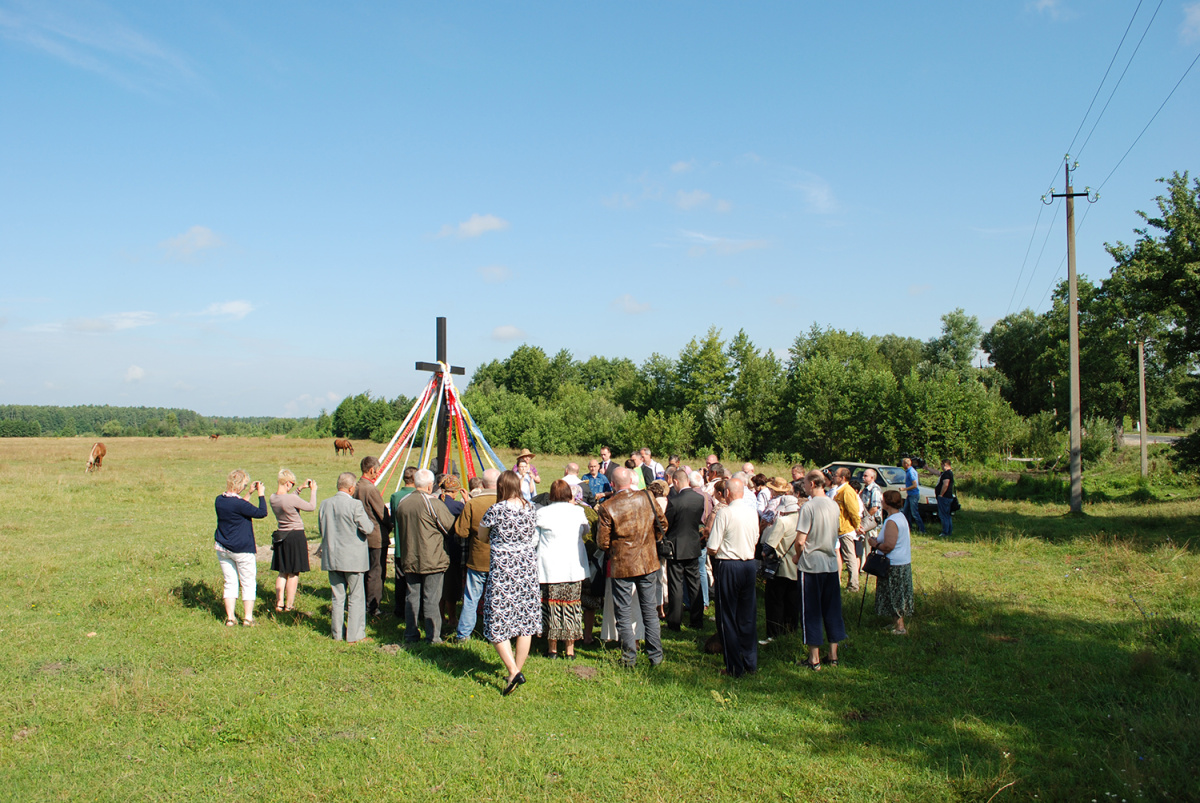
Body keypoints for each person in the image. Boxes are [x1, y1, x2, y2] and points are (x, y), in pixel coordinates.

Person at [596, 466, 668, 667]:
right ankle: (656, 656)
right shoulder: (647, 498)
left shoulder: (608, 506)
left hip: (623, 564)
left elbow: (602, 542)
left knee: (624, 612)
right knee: (649, 611)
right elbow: (663, 524)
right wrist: (651, 542)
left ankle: (629, 658)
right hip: (647, 562)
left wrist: (617, 547)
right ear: (632, 480)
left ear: (612, 484)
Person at [481, 470, 541, 695]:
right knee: (525, 622)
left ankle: (513, 671)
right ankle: (514, 672)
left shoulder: (496, 510)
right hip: (526, 571)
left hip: (504, 572)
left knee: (497, 620)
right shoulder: (531, 508)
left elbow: (481, 535)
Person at [393, 468, 456, 644]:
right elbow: (450, 528)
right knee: (432, 599)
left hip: (409, 558)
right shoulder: (433, 503)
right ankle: (433, 636)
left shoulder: (403, 502)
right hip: (432, 559)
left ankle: (411, 634)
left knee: (412, 597)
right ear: (430, 486)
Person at [707, 477, 760, 677]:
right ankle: (750, 662)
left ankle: (734, 666)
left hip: (728, 564)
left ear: (727, 493)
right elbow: (755, 538)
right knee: (747, 616)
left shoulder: (725, 513)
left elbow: (712, 546)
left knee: (727, 616)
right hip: (748, 563)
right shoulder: (752, 512)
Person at [793, 470, 846, 670]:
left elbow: (800, 539)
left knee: (811, 611)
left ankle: (814, 658)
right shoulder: (833, 505)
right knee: (832, 609)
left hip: (811, 565)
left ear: (814, 484)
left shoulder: (808, 507)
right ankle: (833, 655)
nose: (804, 487)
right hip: (831, 563)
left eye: (806, 483)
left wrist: (798, 555)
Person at [318, 472, 376, 643]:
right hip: (353, 559)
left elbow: (323, 529)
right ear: (351, 488)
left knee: (337, 597)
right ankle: (355, 635)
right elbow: (368, 528)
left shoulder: (325, 504)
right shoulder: (355, 505)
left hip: (332, 557)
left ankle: (337, 634)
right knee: (356, 596)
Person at [535, 479, 590, 658]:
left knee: (551, 607)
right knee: (571, 608)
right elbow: (585, 531)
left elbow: (534, 539)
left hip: (550, 568)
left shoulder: (542, 512)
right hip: (572, 568)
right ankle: (570, 650)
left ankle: (552, 649)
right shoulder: (578, 511)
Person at [214, 469, 268, 627]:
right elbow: (261, 513)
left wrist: (249, 494)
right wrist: (261, 494)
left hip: (223, 547)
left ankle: (230, 618)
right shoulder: (238, 504)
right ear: (239, 485)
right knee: (248, 583)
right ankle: (248, 618)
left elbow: (238, 508)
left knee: (230, 582)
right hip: (242, 549)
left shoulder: (220, 500)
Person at [452, 468, 499, 641]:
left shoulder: (473, 503)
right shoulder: (505, 502)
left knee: (471, 598)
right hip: (500, 560)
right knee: (496, 599)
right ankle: (495, 634)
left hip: (477, 558)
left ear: (483, 484)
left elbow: (461, 531)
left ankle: (463, 634)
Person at [663, 468, 709, 631]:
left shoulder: (674, 501)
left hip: (676, 546)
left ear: (675, 481)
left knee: (676, 584)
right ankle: (697, 620)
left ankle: (674, 621)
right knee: (694, 583)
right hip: (693, 544)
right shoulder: (699, 498)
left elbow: (667, 524)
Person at [269, 469, 316, 614]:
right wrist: (313, 491)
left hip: (281, 536)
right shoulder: (290, 499)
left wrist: (300, 488)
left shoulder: (273, 498)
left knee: (283, 571)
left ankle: (279, 603)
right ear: (288, 483)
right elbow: (311, 506)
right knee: (294, 573)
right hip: (295, 535)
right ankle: (289, 605)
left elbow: (287, 500)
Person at [869, 490, 914, 634]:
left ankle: (900, 627)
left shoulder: (892, 521)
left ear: (888, 503)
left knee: (894, 594)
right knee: (896, 593)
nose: (881, 503)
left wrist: (874, 544)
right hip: (902, 562)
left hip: (893, 564)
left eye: (883, 500)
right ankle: (895, 623)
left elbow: (889, 545)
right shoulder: (900, 517)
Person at [353, 456, 391, 619]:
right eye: (377, 469)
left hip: (360, 536)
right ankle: (373, 606)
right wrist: (390, 525)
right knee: (376, 572)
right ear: (371, 470)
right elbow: (382, 514)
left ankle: (360, 603)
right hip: (375, 537)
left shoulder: (355, 486)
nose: (378, 472)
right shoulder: (370, 489)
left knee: (363, 571)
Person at [760, 494, 802, 640]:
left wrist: (763, 555)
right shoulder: (803, 521)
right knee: (792, 603)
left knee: (775, 603)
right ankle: (790, 632)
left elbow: (769, 546)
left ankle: (773, 634)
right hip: (797, 567)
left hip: (780, 567)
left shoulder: (782, 522)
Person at [438, 474, 467, 630]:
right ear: (456, 491)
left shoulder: (435, 503)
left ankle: (439, 615)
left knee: (438, 584)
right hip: (453, 549)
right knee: (451, 586)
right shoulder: (458, 507)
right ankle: (452, 617)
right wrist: (467, 500)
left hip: (436, 549)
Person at [389, 466, 418, 617]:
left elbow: (393, 519)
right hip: (416, 547)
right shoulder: (420, 496)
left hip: (400, 545)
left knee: (400, 579)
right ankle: (414, 611)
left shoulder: (395, 496)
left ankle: (399, 609)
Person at [832, 467, 863, 592]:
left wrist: (857, 526)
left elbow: (853, 510)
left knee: (849, 557)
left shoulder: (847, 491)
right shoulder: (840, 490)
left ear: (842, 478)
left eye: (836, 475)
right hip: (840, 528)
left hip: (846, 529)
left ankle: (853, 585)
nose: (833, 477)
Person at [901, 457, 925, 534]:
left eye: (903, 463)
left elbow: (915, 485)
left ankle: (922, 529)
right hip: (910, 495)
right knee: (906, 511)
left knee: (914, 513)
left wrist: (905, 489)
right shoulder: (908, 471)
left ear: (906, 464)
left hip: (913, 495)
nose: (902, 465)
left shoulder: (911, 472)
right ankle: (908, 527)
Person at [936, 459, 955, 537]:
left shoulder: (946, 474)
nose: (941, 466)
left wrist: (941, 494)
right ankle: (949, 531)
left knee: (943, 515)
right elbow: (937, 472)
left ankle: (945, 532)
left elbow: (946, 484)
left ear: (945, 464)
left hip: (944, 497)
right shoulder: (948, 473)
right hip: (948, 497)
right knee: (947, 515)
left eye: (942, 465)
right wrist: (927, 468)